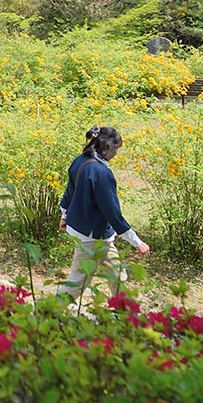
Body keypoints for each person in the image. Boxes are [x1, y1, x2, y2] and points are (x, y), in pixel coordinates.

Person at [54, 124, 150, 305]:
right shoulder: (101, 173)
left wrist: (64, 215)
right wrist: (137, 242)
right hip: (91, 236)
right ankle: (46, 313)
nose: (116, 154)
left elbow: (69, 191)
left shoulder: (80, 159)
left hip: (91, 232)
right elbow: (113, 213)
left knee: (117, 275)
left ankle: (127, 315)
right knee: (77, 283)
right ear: (108, 147)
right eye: (116, 150)